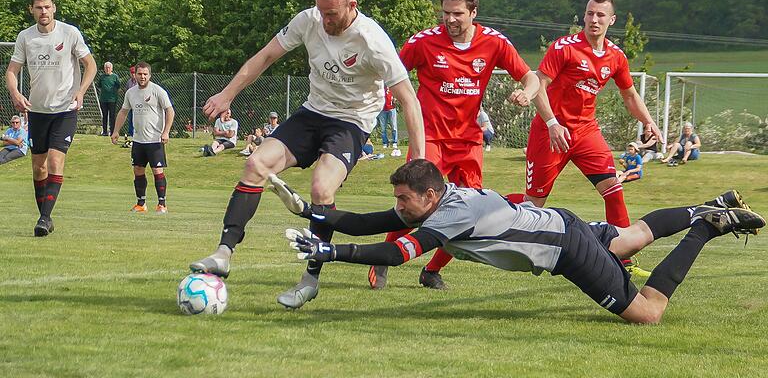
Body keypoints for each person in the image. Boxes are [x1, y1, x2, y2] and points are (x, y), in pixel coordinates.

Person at [188, 0, 426, 310]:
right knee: (256, 164)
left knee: (321, 189)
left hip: (351, 123)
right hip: (312, 113)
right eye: (320, 10)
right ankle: (224, 252)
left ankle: (310, 279)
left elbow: (408, 100)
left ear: (351, 5)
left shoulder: (372, 40)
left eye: (332, 13)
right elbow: (266, 56)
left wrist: (417, 163)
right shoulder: (309, 20)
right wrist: (227, 94)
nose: (324, 20)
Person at [269, 159, 765, 322]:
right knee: (633, 237)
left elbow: (395, 253)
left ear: (430, 195)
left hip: (564, 248)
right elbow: (367, 221)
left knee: (649, 311)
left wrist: (332, 252)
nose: (398, 208)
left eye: (404, 199)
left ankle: (707, 225)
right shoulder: (438, 202)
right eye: (397, 200)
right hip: (560, 225)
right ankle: (709, 205)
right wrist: (315, 213)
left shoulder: (452, 213)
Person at [370, 0, 539, 290]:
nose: (449, 20)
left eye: (458, 14)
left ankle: (431, 271)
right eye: (445, 13)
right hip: (431, 137)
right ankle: (383, 258)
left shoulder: (495, 43)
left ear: (473, 12)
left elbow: (531, 78)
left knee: (468, 212)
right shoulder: (423, 42)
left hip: (469, 141)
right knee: (411, 203)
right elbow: (391, 72)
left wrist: (526, 93)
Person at [521, 0, 662, 276]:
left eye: (600, 15)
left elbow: (629, 94)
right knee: (533, 204)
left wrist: (648, 121)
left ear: (611, 20)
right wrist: (551, 123)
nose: (594, 20)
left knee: (613, 190)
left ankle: (622, 261)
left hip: (586, 132)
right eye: (590, 14)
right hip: (550, 133)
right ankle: (494, 211)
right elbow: (538, 84)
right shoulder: (564, 48)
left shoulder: (616, 56)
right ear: (584, 16)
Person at [5, 0, 97, 237]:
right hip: (37, 111)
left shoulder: (69, 33)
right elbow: (12, 71)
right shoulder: (26, 37)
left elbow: (91, 64)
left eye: (47, 6)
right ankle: (45, 216)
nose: (43, 11)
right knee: (38, 168)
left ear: (54, 8)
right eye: (38, 7)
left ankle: (44, 219)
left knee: (56, 161)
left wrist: (81, 91)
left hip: (65, 110)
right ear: (31, 10)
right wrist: (15, 93)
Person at [111, 62, 175, 214]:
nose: (142, 76)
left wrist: (166, 132)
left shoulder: (158, 91)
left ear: (150, 75)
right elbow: (123, 112)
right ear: (135, 75)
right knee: (138, 170)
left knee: (157, 171)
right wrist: (115, 131)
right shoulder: (130, 93)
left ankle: (162, 204)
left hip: (155, 140)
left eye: (145, 74)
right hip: (138, 140)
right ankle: (141, 203)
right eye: (139, 74)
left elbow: (170, 111)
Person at [97, 61, 121, 136]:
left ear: (111, 68)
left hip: (112, 100)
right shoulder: (102, 77)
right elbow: (99, 86)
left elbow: (118, 86)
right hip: (103, 99)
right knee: (104, 116)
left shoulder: (115, 77)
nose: (107, 69)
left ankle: (112, 131)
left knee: (112, 116)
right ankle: (104, 131)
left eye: (109, 68)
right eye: (106, 68)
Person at [377, 86, 400, 156]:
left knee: (394, 127)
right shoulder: (380, 87)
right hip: (382, 109)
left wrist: (395, 99)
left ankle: (394, 142)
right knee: (383, 128)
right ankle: (385, 143)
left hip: (392, 108)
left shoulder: (392, 85)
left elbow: (397, 93)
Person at [123, 65, 137, 141]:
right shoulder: (129, 82)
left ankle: (137, 133)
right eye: (131, 73)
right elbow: (127, 92)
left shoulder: (139, 82)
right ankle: (131, 133)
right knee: (131, 118)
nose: (133, 75)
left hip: (137, 104)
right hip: (130, 103)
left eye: (134, 73)